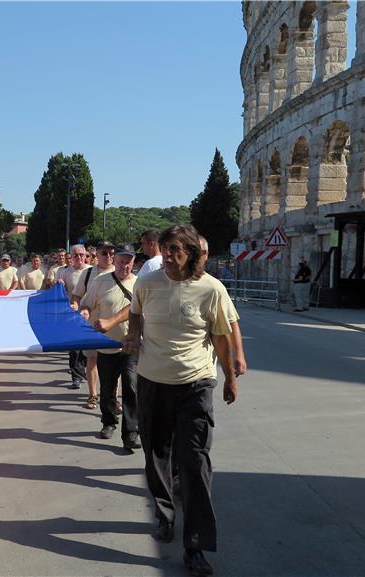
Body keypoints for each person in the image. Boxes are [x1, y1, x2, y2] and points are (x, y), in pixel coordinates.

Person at [123, 224, 238, 577]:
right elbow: (136, 313)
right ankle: (164, 512)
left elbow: (222, 337)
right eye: (165, 248)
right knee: (156, 454)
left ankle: (196, 546)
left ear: (190, 252)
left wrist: (230, 377)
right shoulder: (147, 281)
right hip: (152, 382)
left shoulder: (211, 289)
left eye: (176, 250)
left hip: (195, 385)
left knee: (194, 462)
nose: (168, 256)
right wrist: (134, 335)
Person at [78, 247, 140, 451]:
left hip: (131, 345)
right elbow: (85, 304)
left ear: (134, 263)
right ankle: (108, 421)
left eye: (129, 261)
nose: (125, 265)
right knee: (107, 389)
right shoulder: (100, 282)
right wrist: (85, 312)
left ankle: (131, 432)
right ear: (115, 261)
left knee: (131, 387)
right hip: (106, 345)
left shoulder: (140, 284)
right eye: (122, 261)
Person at [72, 241, 115, 409]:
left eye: (112, 253)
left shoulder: (118, 272)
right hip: (91, 326)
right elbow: (77, 296)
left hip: (113, 326)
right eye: (105, 253)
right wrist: (77, 306)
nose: (109, 256)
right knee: (92, 360)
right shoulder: (88, 273)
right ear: (96, 254)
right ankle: (93, 395)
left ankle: (111, 396)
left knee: (113, 364)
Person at [199, 236, 246, 376]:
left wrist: (239, 354)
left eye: (200, 252)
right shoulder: (161, 283)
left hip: (201, 372)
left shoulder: (214, 287)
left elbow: (231, 323)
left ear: (206, 255)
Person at [55, 244, 91, 390]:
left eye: (81, 255)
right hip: (72, 314)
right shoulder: (64, 272)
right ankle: (76, 376)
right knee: (74, 349)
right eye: (75, 255)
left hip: (90, 313)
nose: (79, 258)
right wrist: (59, 285)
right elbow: (58, 292)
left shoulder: (91, 271)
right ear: (71, 257)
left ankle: (86, 370)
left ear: (86, 256)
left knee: (88, 348)